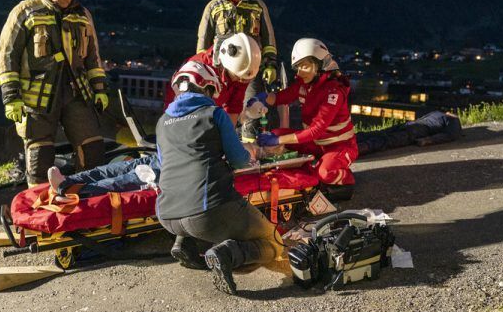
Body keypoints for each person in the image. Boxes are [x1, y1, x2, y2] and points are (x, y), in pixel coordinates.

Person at [47, 39, 261, 198]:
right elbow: (239, 159)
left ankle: (72, 182)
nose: (240, 81)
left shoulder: (191, 99)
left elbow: (182, 118)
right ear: (210, 87)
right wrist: (243, 147)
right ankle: (76, 190)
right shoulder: (213, 108)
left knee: (132, 168)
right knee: (131, 179)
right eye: (238, 77)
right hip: (185, 163)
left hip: (174, 148)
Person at [155, 61, 283, 295]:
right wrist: (249, 155)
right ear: (205, 87)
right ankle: (226, 254)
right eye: (212, 91)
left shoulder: (162, 122)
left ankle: (183, 243)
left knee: (201, 224)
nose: (213, 96)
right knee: (273, 240)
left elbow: (164, 165)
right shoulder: (214, 114)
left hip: (168, 216)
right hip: (208, 212)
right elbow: (239, 160)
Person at [0, 0, 108, 186]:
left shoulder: (82, 15)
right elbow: (7, 56)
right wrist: (11, 97)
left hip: (77, 92)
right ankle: (39, 208)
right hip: (37, 96)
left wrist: (100, 89)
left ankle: (88, 198)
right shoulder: (25, 11)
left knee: (92, 147)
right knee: (40, 154)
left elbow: (93, 57)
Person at [251, 38, 358, 189]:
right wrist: (261, 99)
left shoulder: (333, 92)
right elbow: (281, 97)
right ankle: (317, 164)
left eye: (305, 67)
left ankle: (346, 178)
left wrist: (279, 140)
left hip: (339, 145)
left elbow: (315, 130)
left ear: (320, 65)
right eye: (298, 67)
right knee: (275, 133)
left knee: (325, 173)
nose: (300, 72)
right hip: (317, 144)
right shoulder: (306, 85)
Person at [197, 0, 278, 141]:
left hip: (251, 70)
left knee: (253, 110)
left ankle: (248, 156)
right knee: (219, 111)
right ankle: (218, 148)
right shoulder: (213, 7)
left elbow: (269, 38)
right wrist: (203, 71)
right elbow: (203, 42)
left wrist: (270, 64)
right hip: (220, 71)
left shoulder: (258, 5)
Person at [356, 111, 463, 156]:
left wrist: (428, 140)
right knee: (387, 138)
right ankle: (358, 145)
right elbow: (451, 134)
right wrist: (427, 140)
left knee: (383, 136)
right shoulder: (447, 117)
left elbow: (451, 134)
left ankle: (355, 143)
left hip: (414, 127)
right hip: (417, 128)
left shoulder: (449, 118)